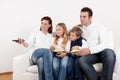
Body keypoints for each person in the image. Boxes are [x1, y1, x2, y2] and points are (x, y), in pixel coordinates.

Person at [76, 7, 116, 80]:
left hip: (102, 51)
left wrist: (89, 50)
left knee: (110, 53)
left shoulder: (99, 27)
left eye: (84, 17)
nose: (81, 19)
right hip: (92, 55)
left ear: (90, 18)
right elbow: (70, 36)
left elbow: (104, 44)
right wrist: (75, 28)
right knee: (82, 60)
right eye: (80, 16)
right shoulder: (79, 29)